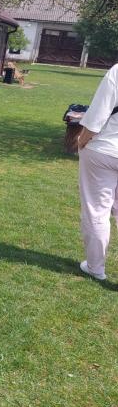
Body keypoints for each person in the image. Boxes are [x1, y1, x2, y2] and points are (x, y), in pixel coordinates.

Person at [76, 64, 118, 281]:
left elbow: (98, 114)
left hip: (104, 149)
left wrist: (82, 140)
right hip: (107, 151)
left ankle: (95, 267)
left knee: (96, 210)